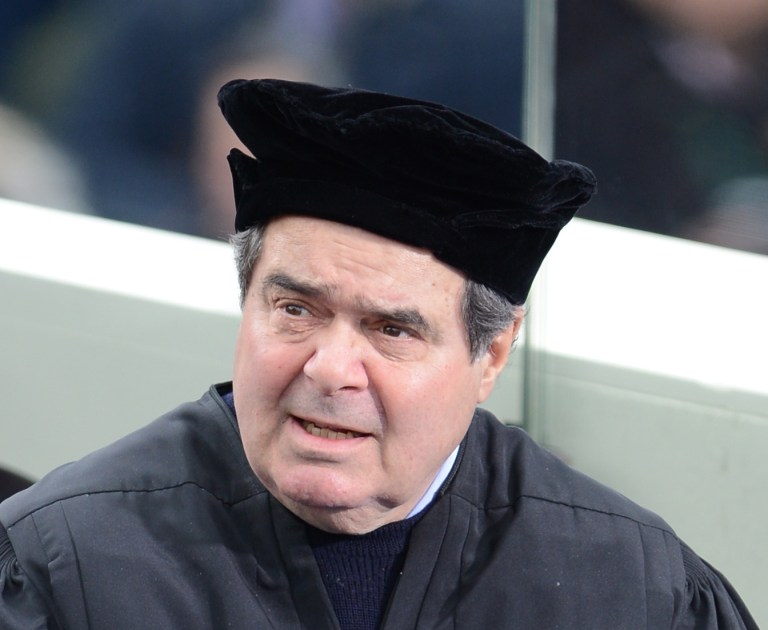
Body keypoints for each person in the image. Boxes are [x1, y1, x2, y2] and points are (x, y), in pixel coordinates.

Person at [0, 79, 756, 629]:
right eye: (295, 310)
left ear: (491, 355)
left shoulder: (628, 589)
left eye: (392, 330)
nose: (329, 369)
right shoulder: (65, 565)